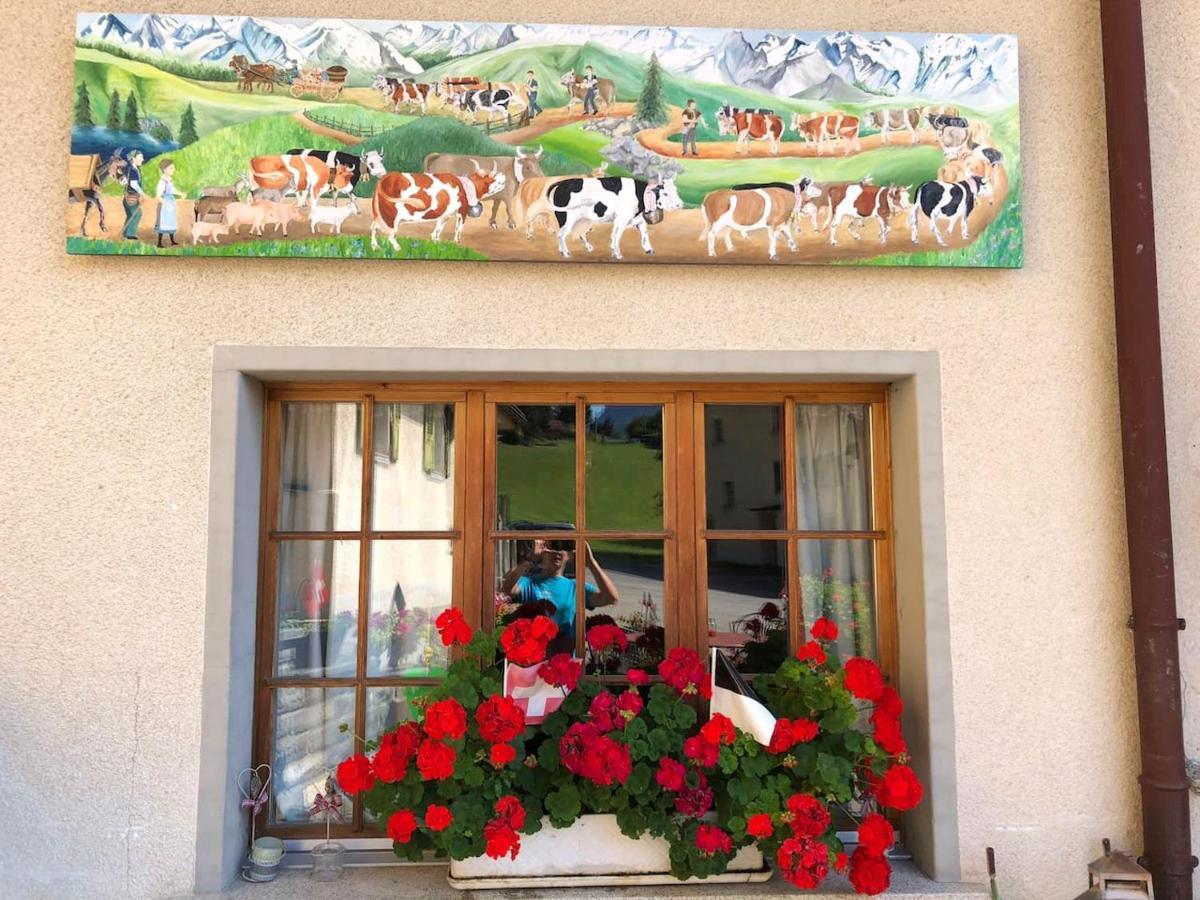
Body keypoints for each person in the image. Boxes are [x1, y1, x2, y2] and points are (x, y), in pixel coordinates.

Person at [500, 539, 619, 654]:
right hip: (534, 659)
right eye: (552, 546)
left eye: (563, 547)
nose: (557, 552)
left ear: (569, 556)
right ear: (542, 551)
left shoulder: (575, 587)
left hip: (565, 663)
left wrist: (591, 562)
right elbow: (507, 588)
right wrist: (528, 559)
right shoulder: (530, 583)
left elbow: (611, 598)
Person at [153, 158, 185, 248]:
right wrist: (165, 204)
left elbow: (172, 190)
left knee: (170, 221)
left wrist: (180, 193)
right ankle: (159, 242)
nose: (173, 170)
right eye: (171, 168)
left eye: (173, 168)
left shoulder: (169, 180)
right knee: (163, 222)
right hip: (164, 205)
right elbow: (158, 196)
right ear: (164, 170)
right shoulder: (162, 182)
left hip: (170, 203)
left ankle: (172, 240)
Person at [121, 150, 146, 241]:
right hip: (131, 198)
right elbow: (133, 184)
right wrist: (142, 193)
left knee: (130, 215)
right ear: (134, 158)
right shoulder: (132, 170)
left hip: (129, 197)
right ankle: (130, 234)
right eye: (140, 157)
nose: (142, 159)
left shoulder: (134, 168)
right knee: (137, 214)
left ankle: (126, 233)